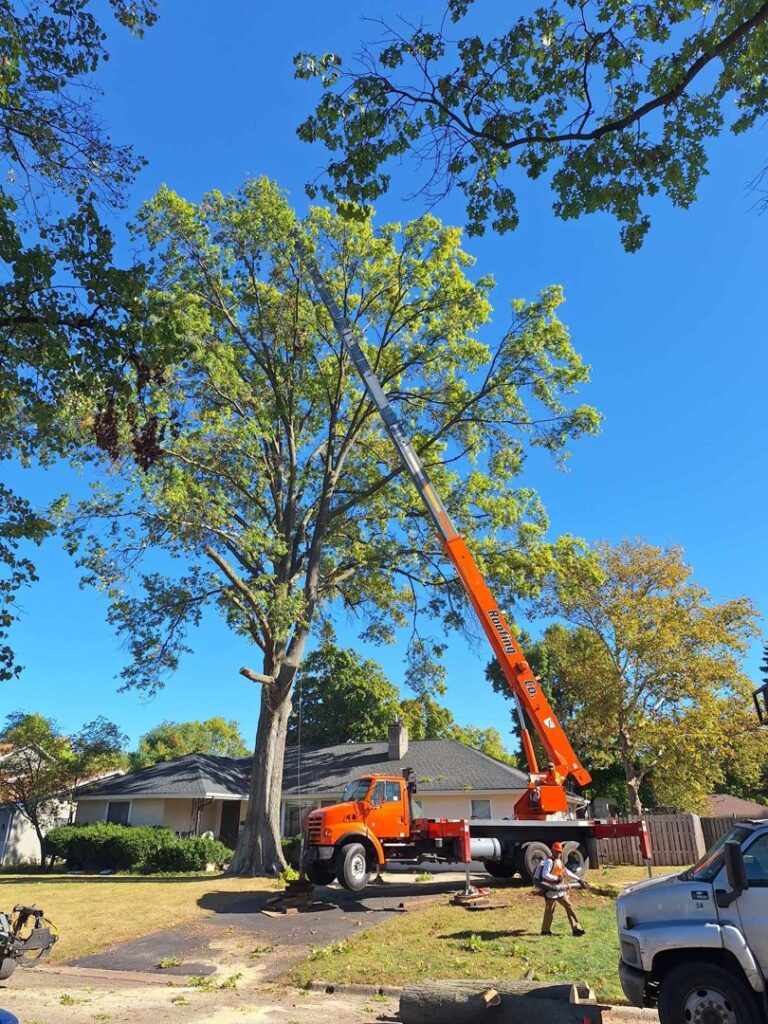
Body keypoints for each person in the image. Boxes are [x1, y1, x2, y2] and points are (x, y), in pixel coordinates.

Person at [537, 841, 586, 937]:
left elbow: (566, 871)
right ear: (552, 851)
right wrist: (556, 878)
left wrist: (579, 879)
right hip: (551, 889)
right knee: (549, 910)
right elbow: (545, 874)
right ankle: (545, 931)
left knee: (568, 906)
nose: (558, 853)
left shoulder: (559, 861)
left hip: (560, 889)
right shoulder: (549, 861)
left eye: (560, 852)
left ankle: (576, 929)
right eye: (557, 851)